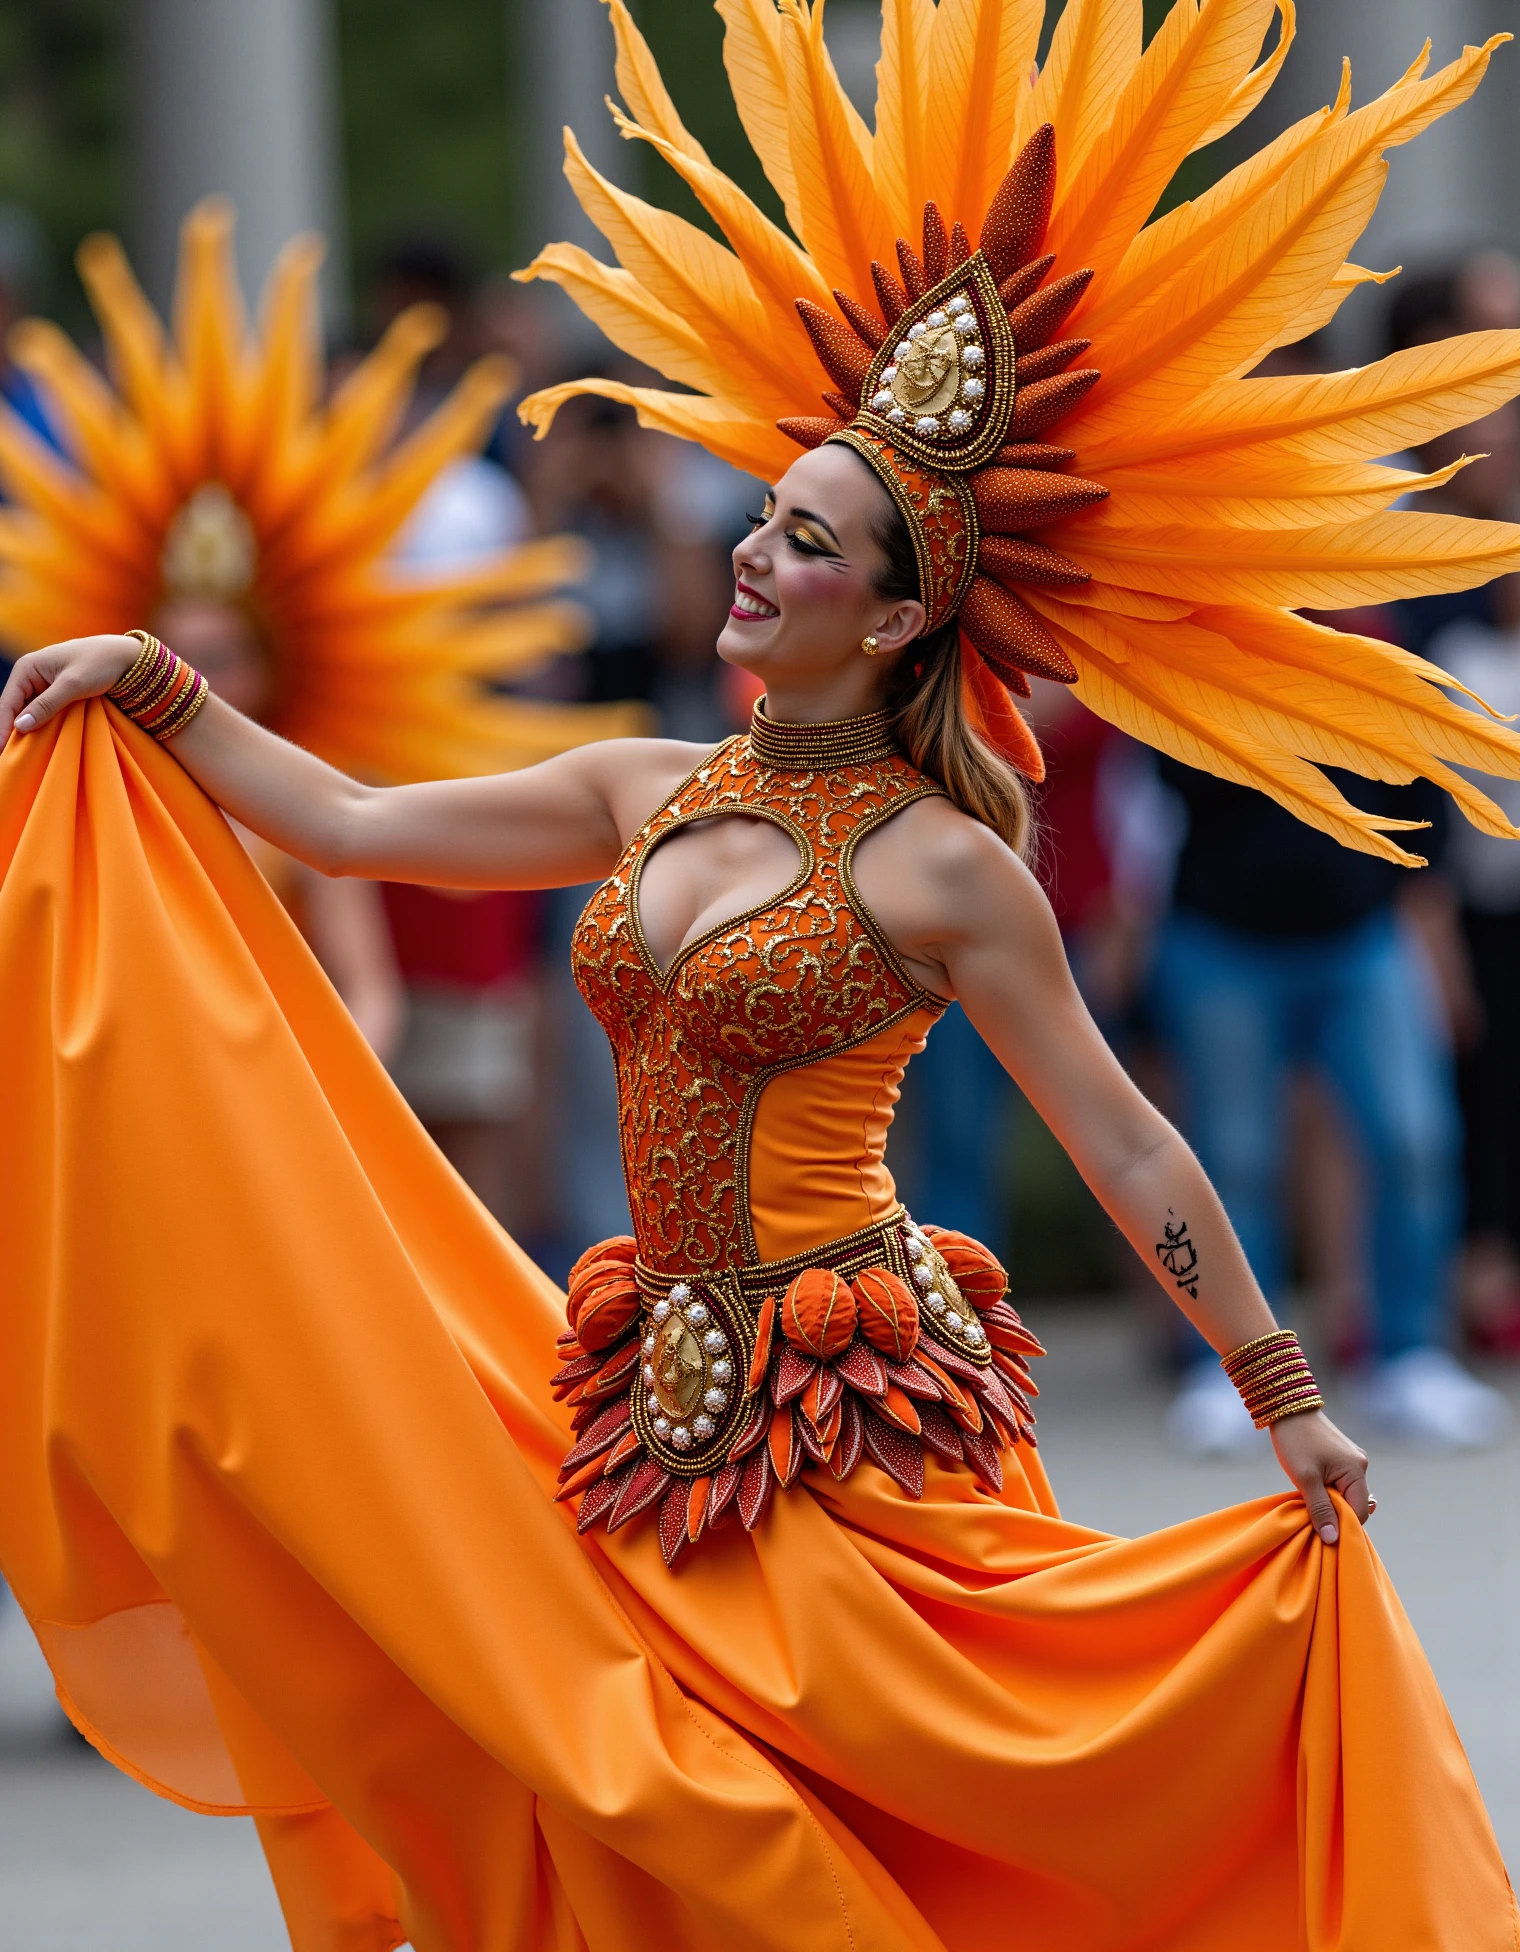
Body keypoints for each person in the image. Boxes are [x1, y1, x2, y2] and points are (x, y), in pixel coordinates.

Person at [4, 10, 1520, 1948]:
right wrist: (158, 684)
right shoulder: (640, 783)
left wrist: (1282, 1388)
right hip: (650, 1404)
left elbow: (1126, 1140)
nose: (746, 550)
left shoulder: (949, 869)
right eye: (762, 511)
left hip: (854, 1432)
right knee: (636, 1809)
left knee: (819, 1844)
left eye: (802, 539)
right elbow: (352, 824)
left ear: (890, 611)